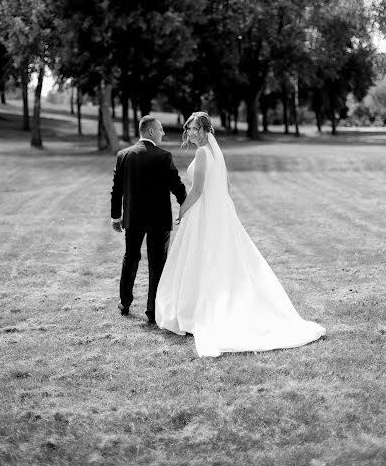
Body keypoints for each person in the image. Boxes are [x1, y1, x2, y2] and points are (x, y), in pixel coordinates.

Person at [155, 112, 326, 357]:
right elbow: (226, 187)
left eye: (194, 129)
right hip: (214, 213)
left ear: (205, 131)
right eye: (189, 129)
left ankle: (196, 311)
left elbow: (198, 190)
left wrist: (182, 210)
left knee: (202, 260)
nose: (190, 133)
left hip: (203, 213)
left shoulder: (203, 153)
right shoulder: (215, 152)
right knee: (213, 260)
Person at [111, 116, 187, 324]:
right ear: (151, 132)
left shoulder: (123, 155)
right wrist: (187, 206)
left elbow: (116, 189)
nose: (163, 133)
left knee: (131, 257)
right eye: (161, 130)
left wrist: (116, 216)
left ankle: (124, 302)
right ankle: (152, 311)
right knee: (157, 265)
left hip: (133, 218)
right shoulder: (163, 156)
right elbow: (177, 186)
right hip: (158, 219)